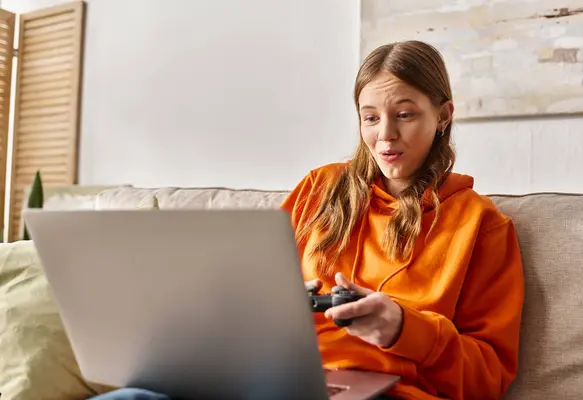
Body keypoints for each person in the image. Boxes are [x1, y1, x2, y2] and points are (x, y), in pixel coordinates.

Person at [89, 40, 525, 400]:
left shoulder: (481, 226)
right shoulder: (320, 190)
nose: (385, 135)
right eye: (370, 118)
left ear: (443, 116)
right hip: (268, 377)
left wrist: (403, 328)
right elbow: (242, 292)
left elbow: (488, 379)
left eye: (405, 115)